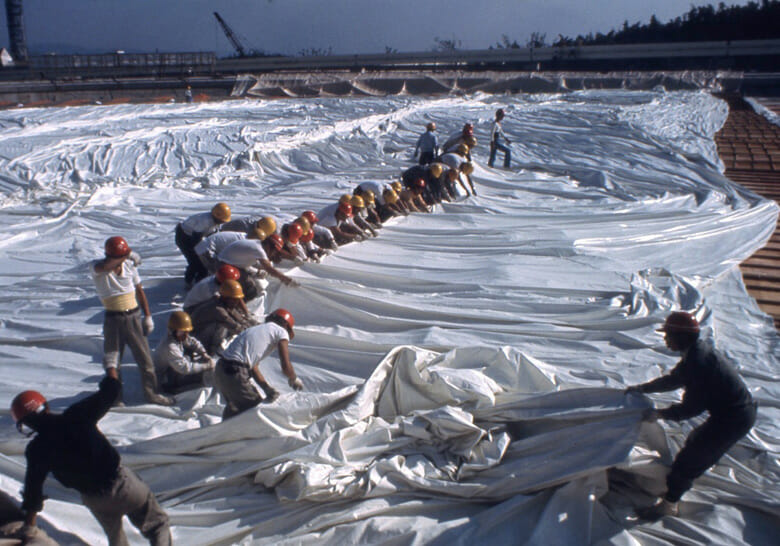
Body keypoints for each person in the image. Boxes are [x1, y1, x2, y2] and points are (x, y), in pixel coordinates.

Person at [625, 311, 757, 519]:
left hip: (734, 419)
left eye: (668, 336)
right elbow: (674, 380)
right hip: (732, 413)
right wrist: (642, 389)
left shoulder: (699, 363)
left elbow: (691, 409)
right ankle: (675, 490)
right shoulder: (695, 353)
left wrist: (659, 414)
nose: (666, 341)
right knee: (696, 442)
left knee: (688, 461)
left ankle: (669, 505)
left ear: (681, 337)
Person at [10, 376, 171, 545]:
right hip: (123, 485)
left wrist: (29, 527)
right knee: (157, 525)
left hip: (96, 500)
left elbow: (33, 492)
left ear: (25, 425)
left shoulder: (37, 450)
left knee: (117, 540)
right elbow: (111, 392)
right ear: (45, 406)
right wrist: (111, 370)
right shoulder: (76, 415)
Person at [92, 237, 174, 406]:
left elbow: (139, 292)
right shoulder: (98, 268)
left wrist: (148, 316)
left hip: (133, 317)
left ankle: (151, 394)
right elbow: (106, 266)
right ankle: (114, 397)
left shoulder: (129, 267)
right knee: (112, 361)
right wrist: (127, 255)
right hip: (113, 318)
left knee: (145, 359)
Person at [214, 309, 303, 420]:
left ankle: (222, 434)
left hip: (221, 369)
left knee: (235, 409)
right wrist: (293, 378)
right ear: (285, 325)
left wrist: (266, 388)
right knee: (254, 413)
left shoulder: (255, 329)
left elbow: (253, 366)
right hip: (235, 371)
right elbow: (285, 365)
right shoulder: (281, 331)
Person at [217, 227, 298, 303]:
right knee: (250, 288)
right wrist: (286, 279)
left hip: (228, 262)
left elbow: (243, 261)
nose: (273, 254)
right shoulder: (258, 249)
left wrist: (293, 258)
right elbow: (269, 269)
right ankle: (239, 307)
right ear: (268, 245)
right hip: (224, 265)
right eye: (274, 251)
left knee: (252, 283)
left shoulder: (257, 244)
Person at [191, 279, 259, 356]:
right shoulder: (217, 309)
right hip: (198, 335)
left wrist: (251, 323)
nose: (237, 302)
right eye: (234, 300)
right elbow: (234, 326)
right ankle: (211, 350)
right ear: (226, 297)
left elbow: (236, 316)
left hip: (204, 331)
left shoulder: (224, 301)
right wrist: (252, 332)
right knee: (222, 326)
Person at [154, 311, 216, 394]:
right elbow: (184, 368)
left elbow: (193, 342)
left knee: (189, 356)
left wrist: (204, 354)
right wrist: (206, 366)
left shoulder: (178, 336)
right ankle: (173, 388)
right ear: (173, 330)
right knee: (199, 376)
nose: (186, 335)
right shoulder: (169, 346)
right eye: (182, 332)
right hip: (165, 377)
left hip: (174, 367)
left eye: (187, 332)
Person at [175, 203, 232, 286]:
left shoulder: (216, 222)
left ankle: (200, 280)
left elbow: (213, 235)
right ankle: (190, 282)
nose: (222, 222)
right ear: (216, 216)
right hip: (184, 237)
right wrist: (202, 254)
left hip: (194, 236)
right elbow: (196, 240)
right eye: (221, 220)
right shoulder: (205, 221)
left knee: (202, 261)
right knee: (195, 261)